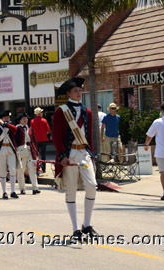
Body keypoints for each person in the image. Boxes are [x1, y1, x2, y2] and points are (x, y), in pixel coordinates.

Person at [52, 78, 98, 241]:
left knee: (91, 186)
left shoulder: (88, 111)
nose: (79, 93)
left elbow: (90, 135)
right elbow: (56, 136)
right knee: (71, 189)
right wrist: (62, 155)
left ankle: (87, 224)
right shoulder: (61, 111)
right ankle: (75, 228)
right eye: (76, 90)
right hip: (69, 154)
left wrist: (92, 153)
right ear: (68, 93)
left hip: (83, 154)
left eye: (80, 90)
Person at [0, 110, 18, 199]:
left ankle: (13, 191)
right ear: (1, 118)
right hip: (1, 149)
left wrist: (5, 124)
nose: (7, 118)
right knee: (2, 171)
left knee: (13, 169)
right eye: (5, 117)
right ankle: (4, 192)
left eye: (8, 117)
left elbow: (15, 130)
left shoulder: (10, 126)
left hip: (10, 149)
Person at [15, 113, 40, 195]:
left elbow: (32, 140)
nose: (25, 120)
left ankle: (35, 188)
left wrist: (35, 151)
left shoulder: (29, 128)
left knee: (32, 169)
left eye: (26, 118)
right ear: (20, 120)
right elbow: (14, 141)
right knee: (21, 170)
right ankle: (22, 188)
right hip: (21, 150)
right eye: (23, 119)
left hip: (29, 150)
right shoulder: (17, 128)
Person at [31, 107, 50, 173]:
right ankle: (43, 168)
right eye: (41, 112)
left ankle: (37, 168)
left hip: (36, 140)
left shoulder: (32, 121)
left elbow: (31, 131)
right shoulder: (44, 120)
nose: (42, 113)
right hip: (44, 139)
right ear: (39, 113)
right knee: (43, 154)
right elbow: (48, 130)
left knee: (36, 154)